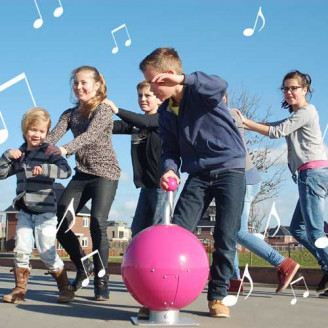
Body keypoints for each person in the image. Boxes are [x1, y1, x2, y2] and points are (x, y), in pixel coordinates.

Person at [139, 47, 246, 318]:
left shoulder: (200, 91)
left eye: (155, 81)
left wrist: (185, 80)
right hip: (198, 174)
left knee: (225, 236)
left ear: (172, 76)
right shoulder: (165, 113)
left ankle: (217, 296)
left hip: (230, 170)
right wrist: (170, 170)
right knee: (176, 231)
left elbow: (220, 83)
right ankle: (161, 295)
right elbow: (170, 151)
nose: (151, 88)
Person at [237, 70, 328, 298]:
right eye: (286, 89)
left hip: (313, 173)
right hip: (308, 174)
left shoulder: (306, 112)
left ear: (305, 89)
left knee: (315, 229)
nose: (289, 92)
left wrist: (246, 121)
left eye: (294, 88)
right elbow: (273, 125)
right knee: (297, 228)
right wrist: (244, 124)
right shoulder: (296, 115)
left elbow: (276, 131)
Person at [45, 66, 120, 301]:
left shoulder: (103, 110)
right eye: (76, 83)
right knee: (61, 220)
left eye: (84, 82)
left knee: (97, 222)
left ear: (97, 84)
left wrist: (65, 149)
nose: (79, 87)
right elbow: (52, 136)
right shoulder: (70, 114)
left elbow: (91, 135)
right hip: (82, 174)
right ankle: (83, 265)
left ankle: (101, 280)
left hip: (105, 174)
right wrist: (33, 146)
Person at [223, 93, 300, 294]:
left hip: (244, 178)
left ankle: (283, 263)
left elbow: (234, 150)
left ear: (222, 100)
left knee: (238, 232)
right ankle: (233, 280)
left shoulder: (229, 115)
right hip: (239, 179)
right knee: (229, 231)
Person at [0, 107, 74, 304]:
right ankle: (19, 290)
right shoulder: (20, 153)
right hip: (24, 210)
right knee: (21, 249)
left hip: (46, 212)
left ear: (46, 133)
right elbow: (1, 174)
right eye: (33, 130)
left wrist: (46, 170)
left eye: (41, 131)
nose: (37, 135)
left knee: (46, 251)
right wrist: (7, 156)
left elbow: (66, 171)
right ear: (25, 130)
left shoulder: (49, 151)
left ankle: (65, 288)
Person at [103, 80, 165, 238]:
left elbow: (144, 121)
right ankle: (140, 262)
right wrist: (95, 115)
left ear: (160, 98)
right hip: (146, 186)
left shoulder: (163, 119)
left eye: (147, 95)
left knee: (158, 229)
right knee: (138, 230)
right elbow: (114, 126)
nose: (142, 99)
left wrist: (116, 109)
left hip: (162, 185)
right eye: (140, 95)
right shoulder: (136, 125)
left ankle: (158, 262)